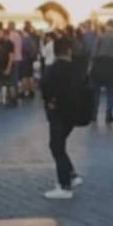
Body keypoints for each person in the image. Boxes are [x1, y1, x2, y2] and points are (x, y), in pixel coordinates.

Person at [40, 34, 83, 200]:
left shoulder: (54, 69)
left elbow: (45, 87)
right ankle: (71, 175)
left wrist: (51, 101)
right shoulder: (77, 68)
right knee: (59, 145)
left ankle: (65, 185)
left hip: (58, 113)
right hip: (73, 114)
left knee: (56, 146)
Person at [90, 21, 113, 125]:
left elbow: (93, 53)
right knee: (110, 92)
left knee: (96, 92)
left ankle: (94, 115)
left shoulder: (100, 37)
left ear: (106, 26)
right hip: (112, 66)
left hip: (99, 65)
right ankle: (109, 115)